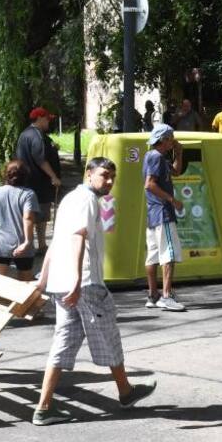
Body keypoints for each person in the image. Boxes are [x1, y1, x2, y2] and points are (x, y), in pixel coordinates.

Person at [32, 157, 156, 425]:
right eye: (104, 175)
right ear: (89, 174)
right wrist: (77, 281)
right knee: (108, 334)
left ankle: (43, 408)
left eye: (113, 176)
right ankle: (125, 392)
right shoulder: (87, 200)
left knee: (63, 343)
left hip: (60, 284)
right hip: (84, 283)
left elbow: (55, 242)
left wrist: (44, 279)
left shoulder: (68, 199)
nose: (109, 181)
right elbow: (77, 238)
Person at [143, 123, 186, 311]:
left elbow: (175, 171)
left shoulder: (154, 157)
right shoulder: (156, 157)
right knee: (169, 254)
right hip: (162, 212)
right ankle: (167, 295)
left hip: (153, 214)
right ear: (164, 139)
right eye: (171, 138)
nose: (173, 141)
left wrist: (179, 152)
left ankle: (153, 295)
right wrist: (172, 200)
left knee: (152, 256)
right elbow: (149, 184)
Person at [0, 159, 41, 281]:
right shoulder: (28, 194)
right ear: (26, 175)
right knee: (25, 283)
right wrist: (27, 242)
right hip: (22, 244)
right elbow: (28, 217)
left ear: (6, 174)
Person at [15, 107, 62, 250]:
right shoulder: (37, 135)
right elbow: (40, 159)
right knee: (40, 215)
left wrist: (53, 148)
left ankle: (34, 243)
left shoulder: (26, 134)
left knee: (31, 213)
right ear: (40, 118)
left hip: (28, 182)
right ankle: (41, 244)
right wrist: (53, 177)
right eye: (47, 118)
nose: (49, 121)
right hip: (38, 183)